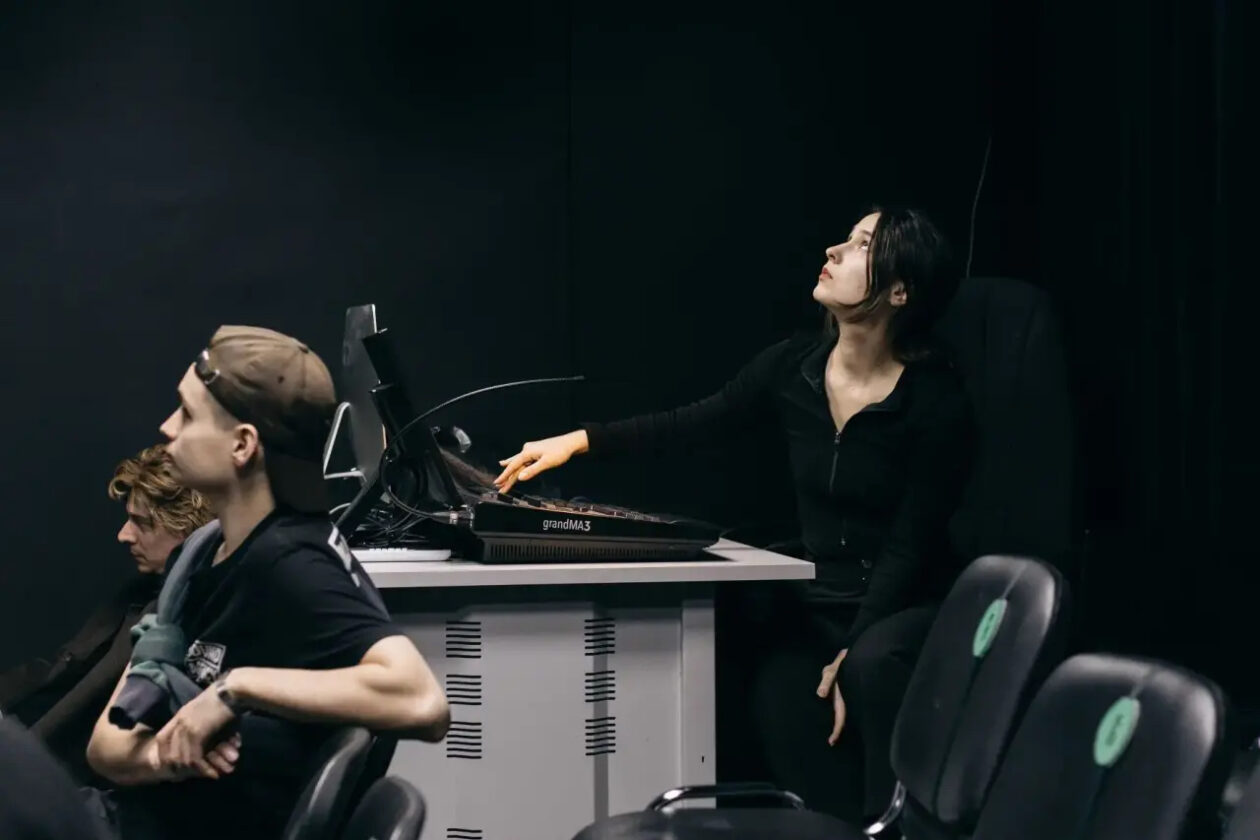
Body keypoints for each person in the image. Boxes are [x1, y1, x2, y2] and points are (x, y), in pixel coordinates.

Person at [495, 207, 975, 821]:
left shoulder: (935, 402)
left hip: (905, 605)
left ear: (900, 291)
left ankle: (897, 828)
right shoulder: (793, 367)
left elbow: (910, 545)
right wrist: (577, 441)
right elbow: (691, 423)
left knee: (872, 667)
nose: (833, 250)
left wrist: (852, 649)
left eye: (860, 245)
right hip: (821, 600)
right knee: (760, 674)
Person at [85, 325, 449, 840]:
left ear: (242, 445)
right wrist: (171, 757)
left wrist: (235, 690)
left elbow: (423, 701)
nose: (167, 428)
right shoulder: (202, 553)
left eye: (187, 413)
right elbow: (108, 749)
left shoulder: (293, 561)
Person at [0, 444, 211, 782]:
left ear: (187, 527)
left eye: (141, 522)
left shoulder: (182, 619)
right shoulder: (136, 594)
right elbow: (59, 671)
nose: (123, 535)